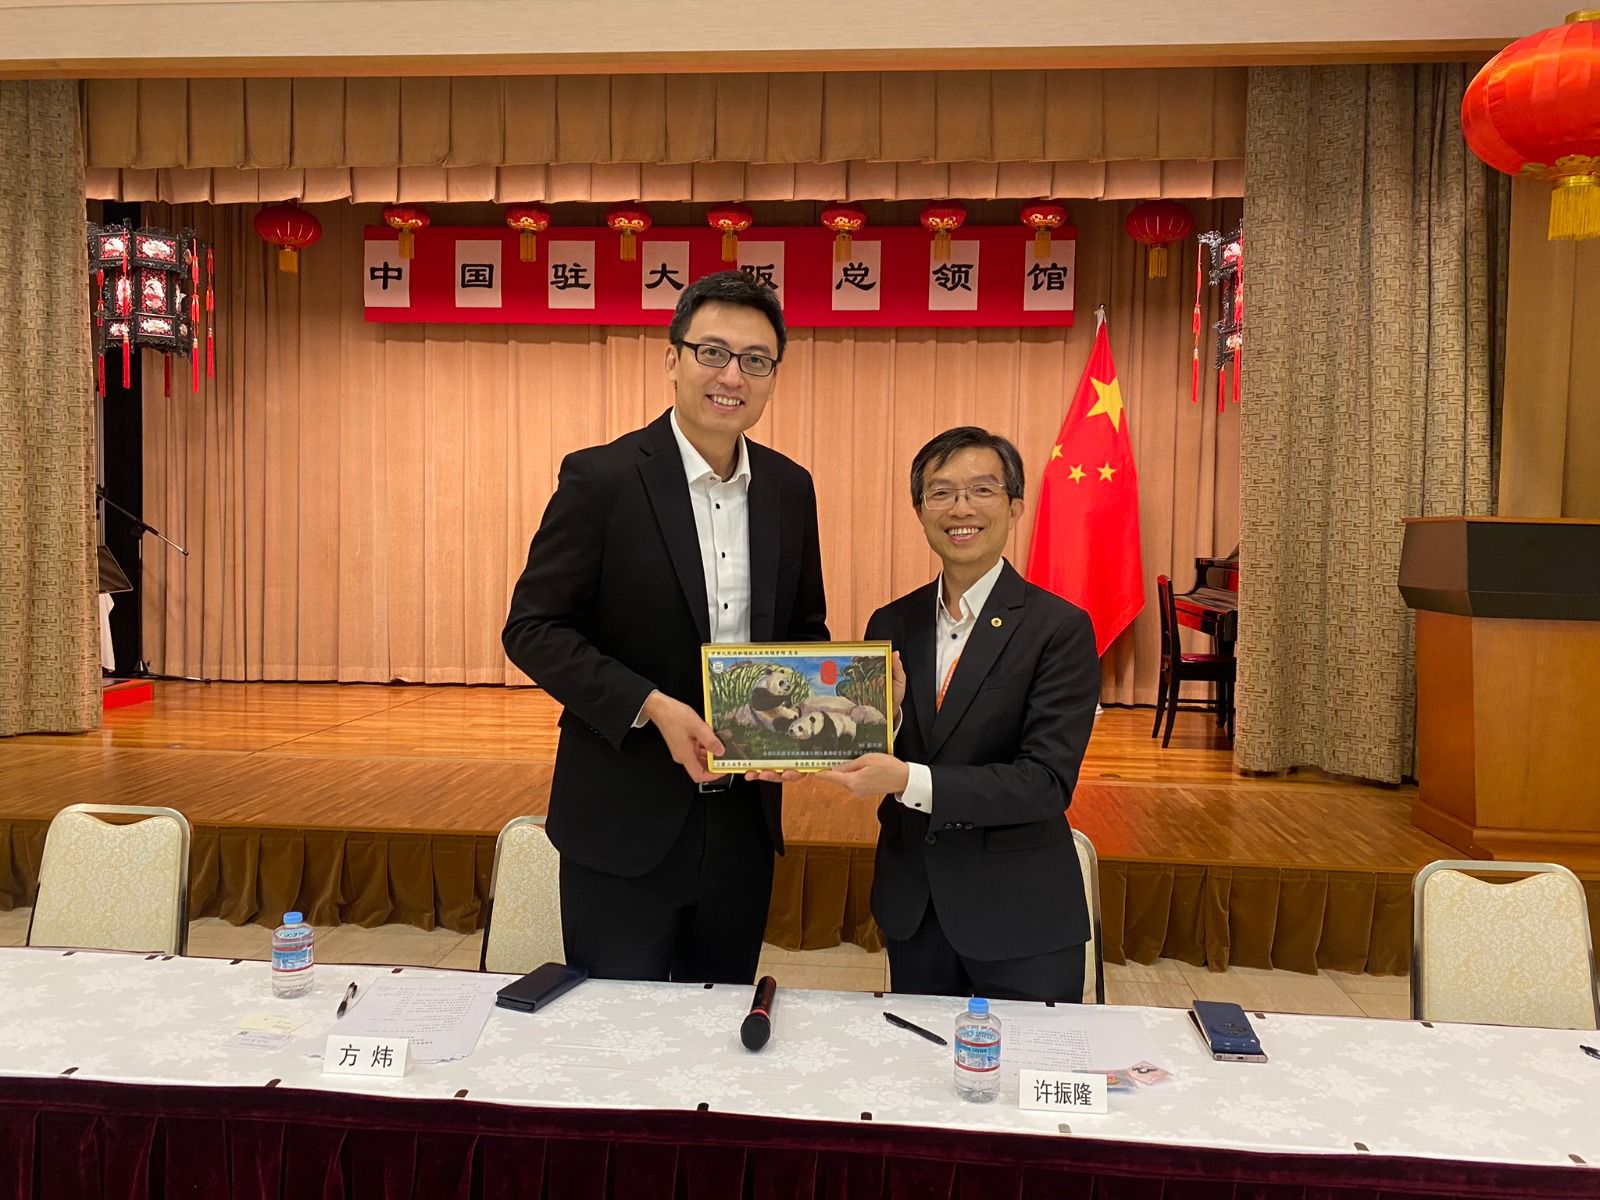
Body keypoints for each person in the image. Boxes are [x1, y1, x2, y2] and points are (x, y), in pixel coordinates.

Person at [502, 270, 828, 984]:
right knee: (617, 1030)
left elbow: (804, 631)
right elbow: (533, 628)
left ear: (773, 376)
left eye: (756, 360)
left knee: (719, 1021)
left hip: (743, 825)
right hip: (623, 818)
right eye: (713, 352)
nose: (732, 376)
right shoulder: (601, 479)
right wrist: (651, 706)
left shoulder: (790, 488)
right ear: (672, 358)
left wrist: (820, 711)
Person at [823, 427, 1099, 1002]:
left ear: (1014, 506)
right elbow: (876, 744)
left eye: (981, 490)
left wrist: (907, 779)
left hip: (1020, 914)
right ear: (920, 510)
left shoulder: (1059, 628)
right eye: (942, 492)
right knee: (917, 1056)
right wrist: (872, 730)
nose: (961, 509)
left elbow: (1045, 783)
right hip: (915, 906)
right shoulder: (891, 623)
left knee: (1025, 1059)